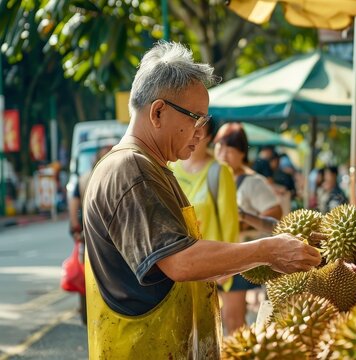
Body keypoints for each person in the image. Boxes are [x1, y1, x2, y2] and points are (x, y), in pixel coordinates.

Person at [82, 41, 320, 359]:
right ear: (157, 112)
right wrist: (267, 250)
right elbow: (180, 261)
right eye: (196, 118)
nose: (201, 132)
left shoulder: (157, 170)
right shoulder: (130, 170)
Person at [168, 119, 243, 334]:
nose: (194, 135)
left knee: (210, 331)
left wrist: (228, 266)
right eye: (190, 128)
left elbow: (230, 224)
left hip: (209, 266)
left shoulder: (219, 172)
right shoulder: (169, 169)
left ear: (209, 137)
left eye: (200, 131)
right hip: (177, 264)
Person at [214, 122, 284, 334]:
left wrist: (242, 219)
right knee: (222, 319)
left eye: (230, 149)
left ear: (242, 152)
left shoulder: (253, 182)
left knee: (234, 319)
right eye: (220, 147)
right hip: (217, 254)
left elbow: (275, 215)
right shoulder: (214, 177)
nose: (224, 154)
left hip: (241, 257)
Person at [68, 145, 113, 325]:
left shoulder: (83, 179)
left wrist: (75, 228)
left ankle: (88, 314)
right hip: (111, 237)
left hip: (88, 235)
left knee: (87, 272)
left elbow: (73, 205)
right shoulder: (114, 175)